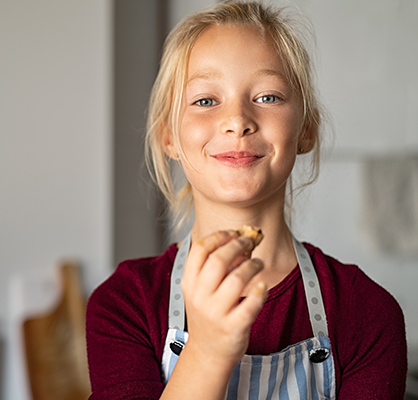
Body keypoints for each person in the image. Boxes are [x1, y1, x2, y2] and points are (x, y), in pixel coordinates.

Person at [86, 1, 408, 399]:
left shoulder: (368, 313)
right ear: (169, 136)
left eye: (268, 97)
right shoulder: (124, 303)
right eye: (205, 100)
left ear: (306, 131)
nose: (237, 119)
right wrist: (207, 350)